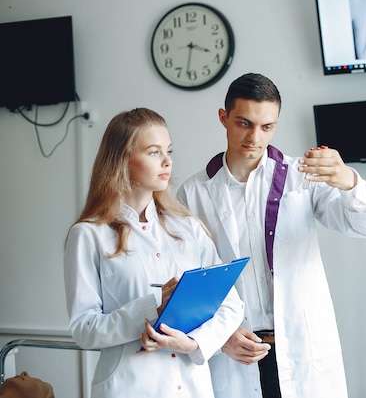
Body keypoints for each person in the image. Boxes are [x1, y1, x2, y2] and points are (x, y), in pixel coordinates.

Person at [177, 73, 366, 398]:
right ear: (224, 117)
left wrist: (348, 180)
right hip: (237, 351)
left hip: (300, 346)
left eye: (267, 127)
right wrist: (220, 336)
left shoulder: (303, 177)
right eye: (244, 123)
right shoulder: (194, 193)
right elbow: (189, 281)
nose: (255, 137)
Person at [63, 108, 244, 398]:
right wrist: (152, 307)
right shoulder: (88, 235)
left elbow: (231, 304)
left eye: (169, 151)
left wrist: (194, 343)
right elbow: (84, 329)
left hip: (191, 386)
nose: (167, 161)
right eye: (153, 152)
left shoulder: (189, 228)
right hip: (129, 387)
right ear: (123, 160)